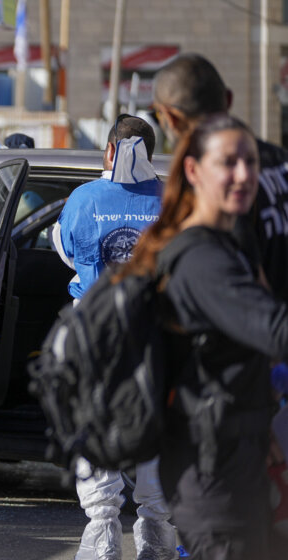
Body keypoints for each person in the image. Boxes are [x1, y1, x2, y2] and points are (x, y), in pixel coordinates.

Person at [117, 114, 285, 559]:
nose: (245, 174)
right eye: (229, 163)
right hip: (215, 481)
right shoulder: (203, 258)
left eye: (250, 162)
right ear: (193, 170)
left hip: (233, 462)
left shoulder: (226, 244)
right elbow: (277, 332)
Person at [52, 115, 177, 560]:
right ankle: (157, 534)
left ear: (109, 150)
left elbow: (67, 251)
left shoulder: (84, 198)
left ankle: (103, 535)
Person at [153, 53, 288, 302]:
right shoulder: (280, 159)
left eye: (158, 118)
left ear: (170, 119)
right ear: (228, 99)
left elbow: (250, 295)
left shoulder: (219, 182)